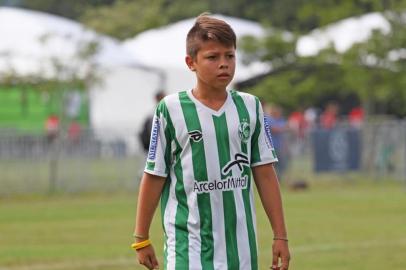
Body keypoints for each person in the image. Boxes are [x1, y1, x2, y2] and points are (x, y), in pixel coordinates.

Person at [133, 13, 290, 270]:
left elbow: (264, 172)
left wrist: (280, 235)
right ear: (190, 62)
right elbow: (154, 174)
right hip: (187, 244)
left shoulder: (250, 106)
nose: (224, 64)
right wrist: (141, 237)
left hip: (240, 247)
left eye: (230, 56)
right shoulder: (170, 110)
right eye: (212, 57)